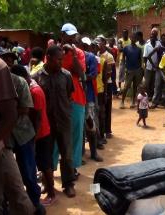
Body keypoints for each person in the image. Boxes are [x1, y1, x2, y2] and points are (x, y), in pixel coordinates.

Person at [0, 50, 35, 214]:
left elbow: (12, 114)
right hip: (3, 141)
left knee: (18, 186)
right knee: (15, 190)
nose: (10, 62)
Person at [33, 45, 77, 198]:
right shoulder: (36, 77)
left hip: (64, 121)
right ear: (49, 58)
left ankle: (69, 184)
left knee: (67, 154)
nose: (61, 62)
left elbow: (70, 96)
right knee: (47, 155)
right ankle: (48, 184)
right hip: (46, 124)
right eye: (58, 60)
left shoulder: (66, 75)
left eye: (62, 60)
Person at [11, 64, 55, 206]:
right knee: (40, 165)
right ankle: (46, 190)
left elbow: (37, 117)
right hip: (39, 133)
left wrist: (34, 139)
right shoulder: (33, 87)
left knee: (45, 165)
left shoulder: (34, 91)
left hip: (40, 133)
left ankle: (51, 194)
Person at [7, 64, 45, 214]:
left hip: (23, 134)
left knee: (28, 172)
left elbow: (26, 109)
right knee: (8, 174)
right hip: (5, 137)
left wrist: (5, 112)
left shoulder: (20, 83)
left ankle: (35, 204)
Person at [59, 23, 86, 177]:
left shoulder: (79, 53)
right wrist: (62, 52)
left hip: (76, 98)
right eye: (68, 35)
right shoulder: (54, 51)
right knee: (56, 135)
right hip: (58, 100)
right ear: (62, 35)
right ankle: (50, 167)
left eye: (73, 35)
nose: (71, 38)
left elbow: (81, 74)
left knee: (75, 134)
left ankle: (73, 167)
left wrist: (73, 54)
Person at [80, 37, 103, 162]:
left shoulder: (91, 58)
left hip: (88, 97)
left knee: (91, 125)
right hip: (76, 98)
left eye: (85, 45)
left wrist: (80, 77)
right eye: (82, 44)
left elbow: (93, 75)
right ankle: (81, 155)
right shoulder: (75, 57)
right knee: (79, 129)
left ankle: (93, 153)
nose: (84, 47)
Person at [98, 36, 115, 139]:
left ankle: (107, 130)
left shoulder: (109, 56)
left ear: (104, 43)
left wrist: (102, 81)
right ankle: (100, 130)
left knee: (107, 106)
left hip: (106, 84)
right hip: (99, 84)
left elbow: (109, 73)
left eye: (100, 42)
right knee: (100, 107)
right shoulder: (96, 54)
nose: (98, 45)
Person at [120, 33, 143, 109]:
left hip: (137, 70)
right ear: (130, 38)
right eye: (132, 37)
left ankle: (133, 102)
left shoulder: (139, 49)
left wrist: (140, 69)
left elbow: (140, 60)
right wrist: (124, 67)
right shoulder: (126, 48)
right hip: (129, 70)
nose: (133, 39)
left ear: (136, 39)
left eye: (135, 38)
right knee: (126, 86)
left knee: (135, 86)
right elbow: (123, 58)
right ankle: (122, 102)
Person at [148, 33, 165, 108]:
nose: (163, 39)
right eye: (162, 38)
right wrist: (154, 66)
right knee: (157, 86)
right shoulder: (158, 48)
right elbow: (149, 56)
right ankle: (154, 102)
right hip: (159, 69)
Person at [144, 28, 161, 100]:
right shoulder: (147, 45)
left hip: (157, 67)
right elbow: (145, 57)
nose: (152, 37)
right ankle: (148, 96)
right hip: (148, 67)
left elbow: (160, 55)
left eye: (154, 36)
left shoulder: (159, 44)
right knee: (147, 82)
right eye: (151, 36)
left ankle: (152, 96)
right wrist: (145, 65)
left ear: (156, 36)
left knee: (154, 83)